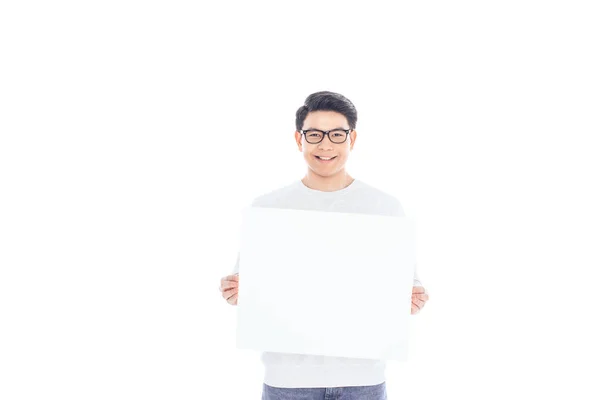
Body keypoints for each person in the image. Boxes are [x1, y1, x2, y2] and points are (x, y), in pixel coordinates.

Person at [219, 91, 430, 399]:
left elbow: (405, 284)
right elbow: (246, 285)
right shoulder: (268, 207)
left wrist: (413, 297)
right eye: (315, 134)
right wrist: (234, 290)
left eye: (337, 134)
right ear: (298, 138)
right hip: (288, 381)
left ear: (352, 139)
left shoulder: (384, 207)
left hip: (363, 379)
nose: (326, 145)